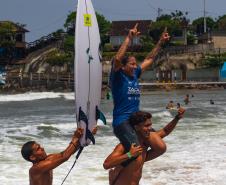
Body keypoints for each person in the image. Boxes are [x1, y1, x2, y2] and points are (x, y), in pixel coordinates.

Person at [109, 23, 170, 157]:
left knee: (160, 147)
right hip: (122, 121)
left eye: (135, 64)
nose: (135, 66)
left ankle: (135, 162)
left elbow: (149, 59)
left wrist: (160, 42)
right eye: (131, 64)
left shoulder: (135, 73)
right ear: (123, 67)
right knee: (136, 153)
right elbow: (117, 59)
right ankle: (121, 166)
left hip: (137, 120)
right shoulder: (117, 76)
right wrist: (129, 38)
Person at [103, 108, 185, 185]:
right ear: (136, 127)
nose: (150, 128)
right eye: (146, 125)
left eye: (150, 125)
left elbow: (165, 131)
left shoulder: (145, 142)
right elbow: (106, 164)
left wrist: (177, 118)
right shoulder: (125, 146)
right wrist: (129, 154)